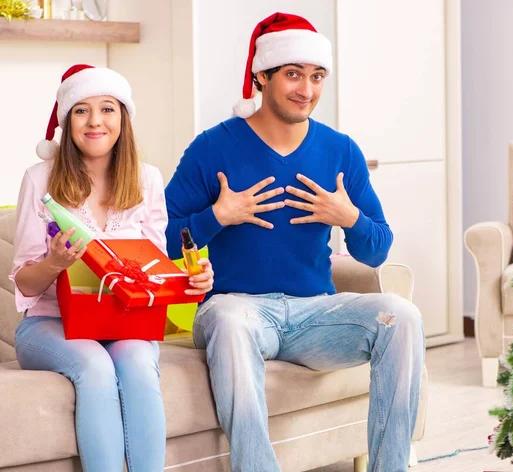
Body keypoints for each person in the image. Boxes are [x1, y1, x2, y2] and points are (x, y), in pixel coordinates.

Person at [164, 12, 424, 472]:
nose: (307, 89)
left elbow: (377, 249)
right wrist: (217, 217)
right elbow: (163, 238)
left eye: (317, 76)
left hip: (314, 316)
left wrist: (350, 218)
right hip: (236, 308)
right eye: (293, 75)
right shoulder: (212, 147)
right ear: (262, 75)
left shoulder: (340, 150)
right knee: (227, 315)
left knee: (400, 316)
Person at [10, 64, 214, 472]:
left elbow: (151, 271)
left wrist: (194, 279)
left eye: (107, 108)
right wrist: (55, 261)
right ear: (67, 122)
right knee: (95, 367)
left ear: (123, 118)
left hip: (125, 321)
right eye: (82, 111)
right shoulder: (40, 179)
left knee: (139, 365)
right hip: (49, 323)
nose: (96, 121)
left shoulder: (147, 180)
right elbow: (25, 285)